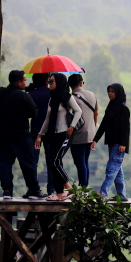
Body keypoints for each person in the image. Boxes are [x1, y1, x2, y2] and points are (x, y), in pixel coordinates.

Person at [0, 70, 43, 200]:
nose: (25, 82)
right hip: (21, 136)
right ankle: (33, 189)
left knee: (5, 164)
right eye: (24, 80)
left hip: (3, 136)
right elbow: (34, 113)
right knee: (28, 164)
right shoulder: (24, 96)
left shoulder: (0, 93)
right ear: (18, 82)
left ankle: (7, 191)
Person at [36, 73, 82, 201]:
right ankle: (60, 193)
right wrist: (40, 134)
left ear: (60, 82)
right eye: (49, 81)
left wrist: (72, 126)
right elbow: (47, 119)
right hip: (53, 135)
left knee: (54, 161)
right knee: (54, 163)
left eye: (52, 81)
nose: (50, 83)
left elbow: (78, 111)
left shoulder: (66, 95)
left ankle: (69, 188)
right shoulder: (52, 98)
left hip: (65, 133)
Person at [93, 83, 131, 201]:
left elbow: (126, 128)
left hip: (119, 144)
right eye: (108, 91)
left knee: (111, 168)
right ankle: (122, 195)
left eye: (112, 91)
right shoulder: (110, 107)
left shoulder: (124, 109)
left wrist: (123, 144)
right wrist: (95, 139)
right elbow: (103, 124)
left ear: (118, 93)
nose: (110, 93)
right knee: (117, 170)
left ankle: (103, 193)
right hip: (111, 142)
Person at [67, 74, 98, 187]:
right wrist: (92, 128)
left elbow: (68, 116)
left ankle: (83, 188)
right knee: (85, 162)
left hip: (77, 135)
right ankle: (84, 187)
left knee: (80, 163)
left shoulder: (71, 98)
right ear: (81, 83)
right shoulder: (92, 95)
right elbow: (96, 113)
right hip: (90, 134)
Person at [26, 74, 52, 196]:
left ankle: (33, 189)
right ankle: (51, 190)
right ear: (47, 80)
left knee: (33, 161)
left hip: (35, 130)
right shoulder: (52, 93)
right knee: (51, 162)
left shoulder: (31, 94)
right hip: (51, 131)